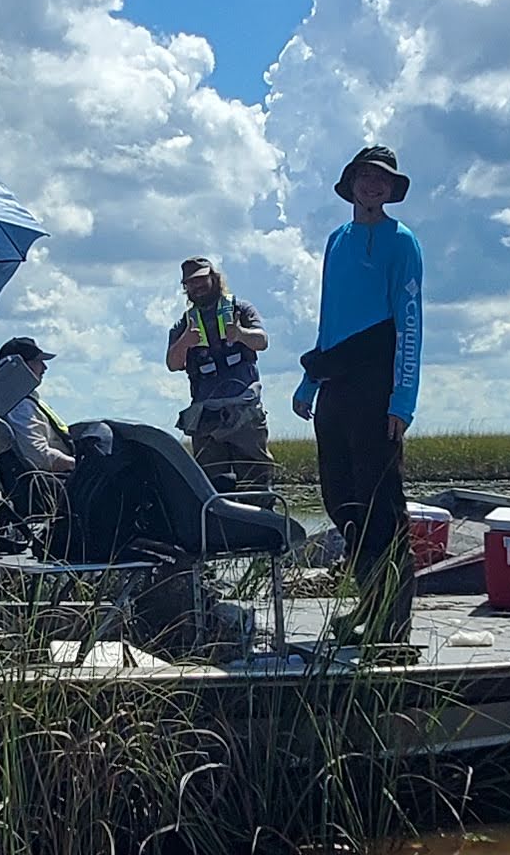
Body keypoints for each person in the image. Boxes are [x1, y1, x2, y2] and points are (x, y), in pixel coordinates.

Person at [291, 143, 422, 648]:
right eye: (365, 176)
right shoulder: (337, 241)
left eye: (382, 179)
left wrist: (402, 400)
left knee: (381, 505)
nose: (373, 185)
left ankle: (393, 621)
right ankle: (368, 604)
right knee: (341, 499)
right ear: (351, 184)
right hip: (336, 381)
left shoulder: (402, 242)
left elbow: (410, 323)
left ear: (391, 190)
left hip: (377, 383)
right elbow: (329, 316)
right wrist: (311, 378)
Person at [166, 256, 273, 493]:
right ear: (186, 288)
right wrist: (185, 341)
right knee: (212, 488)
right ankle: (221, 529)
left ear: (214, 278)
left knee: (254, 484)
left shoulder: (240, 309)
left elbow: (262, 341)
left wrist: (241, 334)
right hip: (206, 417)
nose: (197, 286)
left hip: (245, 411)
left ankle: (262, 527)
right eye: (191, 283)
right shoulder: (182, 325)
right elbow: (173, 364)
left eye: (202, 279)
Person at [0, 335, 75, 533]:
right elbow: (38, 457)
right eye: (38, 362)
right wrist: (79, 464)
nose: (44, 368)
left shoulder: (14, 401)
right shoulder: (19, 406)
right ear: (21, 367)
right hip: (44, 487)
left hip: (41, 485)